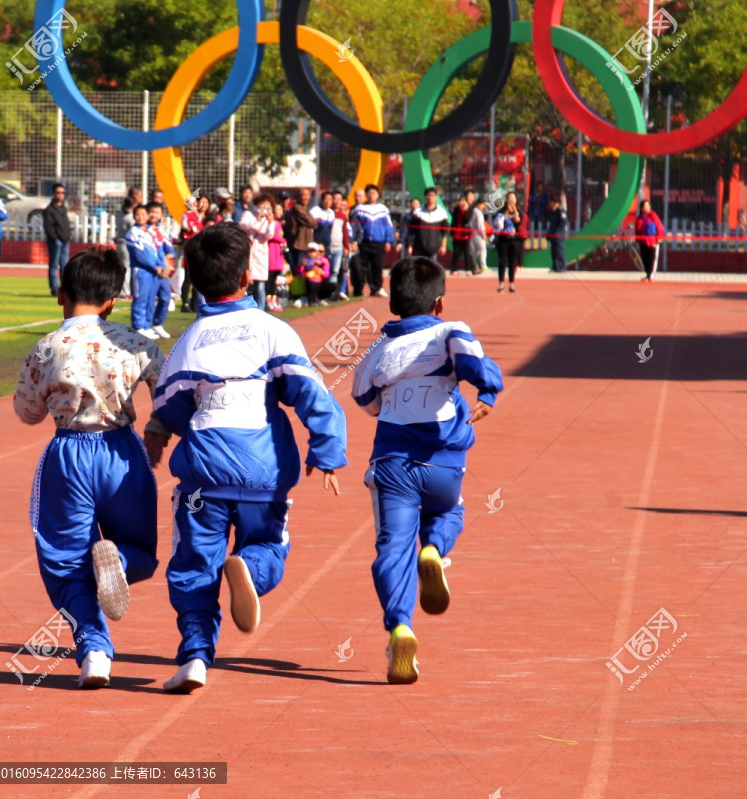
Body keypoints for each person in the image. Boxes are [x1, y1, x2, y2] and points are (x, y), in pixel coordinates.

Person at [153, 223, 347, 693]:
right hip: (264, 472)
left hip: (202, 478)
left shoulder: (189, 341)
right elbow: (309, 394)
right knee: (268, 546)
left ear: (195, 281)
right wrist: (327, 450)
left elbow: (169, 407)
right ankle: (251, 571)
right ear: (246, 276)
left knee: (194, 564)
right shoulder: (273, 331)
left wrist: (187, 428)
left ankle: (196, 655)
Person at [13, 248, 169, 689]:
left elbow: (26, 412)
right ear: (113, 301)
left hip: (69, 454)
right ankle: (118, 559)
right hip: (122, 454)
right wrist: (158, 425)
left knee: (65, 560)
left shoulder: (45, 347)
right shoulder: (134, 342)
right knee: (140, 549)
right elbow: (170, 392)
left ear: (60, 294)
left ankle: (94, 651)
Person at [351, 256, 503, 684]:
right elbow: (473, 361)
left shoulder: (377, 352)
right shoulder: (451, 330)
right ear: (439, 303)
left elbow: (364, 399)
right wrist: (488, 391)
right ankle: (435, 549)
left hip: (394, 466)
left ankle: (401, 626)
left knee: (392, 552)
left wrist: (393, 402)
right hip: (444, 467)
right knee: (450, 511)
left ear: (394, 305)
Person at [126, 204, 164, 339]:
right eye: (138, 214)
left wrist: (160, 263)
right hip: (141, 271)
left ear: (148, 216)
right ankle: (138, 326)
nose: (141, 217)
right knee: (140, 298)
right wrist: (155, 266)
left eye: (143, 214)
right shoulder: (133, 233)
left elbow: (157, 250)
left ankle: (147, 325)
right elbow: (140, 254)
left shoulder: (151, 232)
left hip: (153, 271)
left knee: (150, 299)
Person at [352, 184, 394, 298]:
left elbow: (388, 226)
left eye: (374, 193)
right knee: (361, 267)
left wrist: (388, 241)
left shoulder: (383, 209)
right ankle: (358, 289)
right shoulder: (359, 209)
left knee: (377, 266)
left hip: (379, 242)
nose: (371, 195)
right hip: (363, 243)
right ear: (366, 195)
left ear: (378, 195)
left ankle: (377, 288)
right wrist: (354, 241)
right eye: (369, 193)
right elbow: (354, 226)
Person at [239, 192, 275, 311]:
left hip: (261, 255)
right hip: (247, 253)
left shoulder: (270, 220)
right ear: (256, 205)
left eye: (267, 205)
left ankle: (260, 310)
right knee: (243, 283)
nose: (265, 207)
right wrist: (257, 220)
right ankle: (240, 309)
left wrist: (270, 222)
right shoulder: (248, 215)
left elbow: (269, 235)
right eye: (262, 204)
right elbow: (242, 226)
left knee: (260, 286)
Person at [146, 201, 176, 339]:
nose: (153, 215)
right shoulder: (144, 230)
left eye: (156, 212)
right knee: (149, 298)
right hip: (151, 269)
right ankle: (146, 326)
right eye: (151, 211)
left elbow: (169, 246)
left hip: (162, 270)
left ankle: (158, 323)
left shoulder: (162, 230)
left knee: (165, 297)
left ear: (161, 215)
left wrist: (170, 254)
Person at [43, 183, 72, 297]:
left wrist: (67, 236)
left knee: (65, 265)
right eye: (58, 193)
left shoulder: (63, 208)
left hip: (65, 240)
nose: (60, 195)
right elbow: (48, 227)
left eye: (63, 193)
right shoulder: (49, 210)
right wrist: (55, 238)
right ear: (53, 194)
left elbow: (65, 224)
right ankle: (54, 287)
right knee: (54, 264)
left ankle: (64, 287)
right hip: (56, 241)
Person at [179, 195, 206, 313]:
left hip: (198, 248)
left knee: (197, 277)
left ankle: (194, 303)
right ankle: (184, 303)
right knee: (188, 277)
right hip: (190, 248)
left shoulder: (197, 217)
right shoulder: (186, 215)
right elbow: (186, 226)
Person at [493, 192, 522, 292]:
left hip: (514, 240)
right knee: (502, 261)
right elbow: (499, 224)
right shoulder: (501, 211)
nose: (511, 200)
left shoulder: (518, 210)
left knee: (512, 262)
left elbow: (518, 221)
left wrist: (514, 210)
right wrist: (506, 212)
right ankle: (501, 283)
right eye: (509, 198)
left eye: (513, 198)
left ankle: (512, 283)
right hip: (503, 239)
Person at [284, 186, 316, 275]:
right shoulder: (297, 208)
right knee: (299, 271)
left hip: (306, 245)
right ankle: (298, 289)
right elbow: (312, 222)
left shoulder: (306, 208)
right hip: (299, 245)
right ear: (298, 196)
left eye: (308, 195)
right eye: (303, 195)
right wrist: (313, 221)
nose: (306, 198)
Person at [410, 188, 449, 260]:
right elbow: (411, 231)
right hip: (419, 247)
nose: (430, 197)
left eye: (432, 195)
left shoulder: (441, 212)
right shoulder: (418, 212)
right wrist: (410, 245)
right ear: (425, 197)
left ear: (436, 197)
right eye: (428, 195)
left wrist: (443, 246)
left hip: (433, 249)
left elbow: (445, 232)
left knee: (431, 270)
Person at [634, 199, 665, 283]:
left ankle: (651, 276)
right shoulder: (639, 218)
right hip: (643, 242)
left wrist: (660, 237)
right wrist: (637, 239)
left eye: (648, 206)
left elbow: (660, 227)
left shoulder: (653, 216)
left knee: (652, 259)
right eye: (645, 206)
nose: (647, 208)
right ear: (641, 208)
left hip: (652, 242)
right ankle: (647, 275)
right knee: (645, 259)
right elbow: (637, 229)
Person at [266, 201, 287, 312]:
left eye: (281, 209)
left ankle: (274, 301)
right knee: (270, 280)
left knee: (275, 280)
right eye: (277, 209)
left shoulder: (279, 223)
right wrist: (283, 240)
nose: (279, 212)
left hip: (278, 254)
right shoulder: (271, 222)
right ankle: (268, 302)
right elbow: (271, 235)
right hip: (271, 253)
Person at [296, 242, 331, 307]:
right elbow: (300, 271)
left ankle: (315, 301)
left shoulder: (320, 260)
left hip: (317, 279)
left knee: (315, 290)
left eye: (313, 251)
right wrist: (301, 265)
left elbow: (326, 274)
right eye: (310, 251)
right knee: (311, 291)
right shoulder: (305, 259)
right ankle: (311, 302)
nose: (311, 253)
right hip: (309, 278)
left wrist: (321, 270)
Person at [330, 191, 351, 300]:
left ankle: (335, 293)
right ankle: (328, 293)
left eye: (339, 199)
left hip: (339, 247)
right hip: (328, 247)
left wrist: (346, 247)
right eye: (335, 198)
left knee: (336, 271)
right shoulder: (327, 213)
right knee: (328, 271)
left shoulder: (342, 216)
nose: (337, 201)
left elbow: (345, 233)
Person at [115, 197, 137, 299]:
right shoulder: (130, 217)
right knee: (126, 269)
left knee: (121, 268)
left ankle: (121, 290)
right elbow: (133, 232)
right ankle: (125, 292)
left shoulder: (120, 215)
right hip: (126, 244)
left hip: (119, 243)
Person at [449, 194, 473, 276]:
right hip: (456, 233)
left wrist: (465, 210)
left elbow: (467, 219)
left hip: (465, 234)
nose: (462, 203)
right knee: (456, 252)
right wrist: (451, 234)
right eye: (461, 201)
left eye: (464, 201)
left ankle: (468, 269)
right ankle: (454, 269)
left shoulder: (470, 210)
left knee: (467, 252)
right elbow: (453, 222)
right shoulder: (456, 210)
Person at [545, 195, 569, 272]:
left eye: (552, 203)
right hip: (553, 235)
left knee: (559, 250)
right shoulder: (553, 212)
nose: (551, 205)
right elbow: (551, 224)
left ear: (556, 203)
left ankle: (562, 267)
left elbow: (563, 222)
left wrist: (557, 232)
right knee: (554, 251)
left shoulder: (560, 211)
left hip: (559, 235)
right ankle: (555, 266)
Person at [466, 191, 486, 275]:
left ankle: (475, 266)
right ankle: (483, 265)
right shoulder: (478, 212)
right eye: (483, 204)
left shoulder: (473, 210)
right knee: (482, 249)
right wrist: (483, 234)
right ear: (479, 204)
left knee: (474, 250)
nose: (484, 206)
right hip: (477, 233)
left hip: (471, 233)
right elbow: (480, 224)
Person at [311, 191, 335, 255]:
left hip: (327, 245)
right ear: (322, 200)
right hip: (316, 243)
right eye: (326, 199)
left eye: (330, 199)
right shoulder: (315, 210)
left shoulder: (332, 213)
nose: (327, 201)